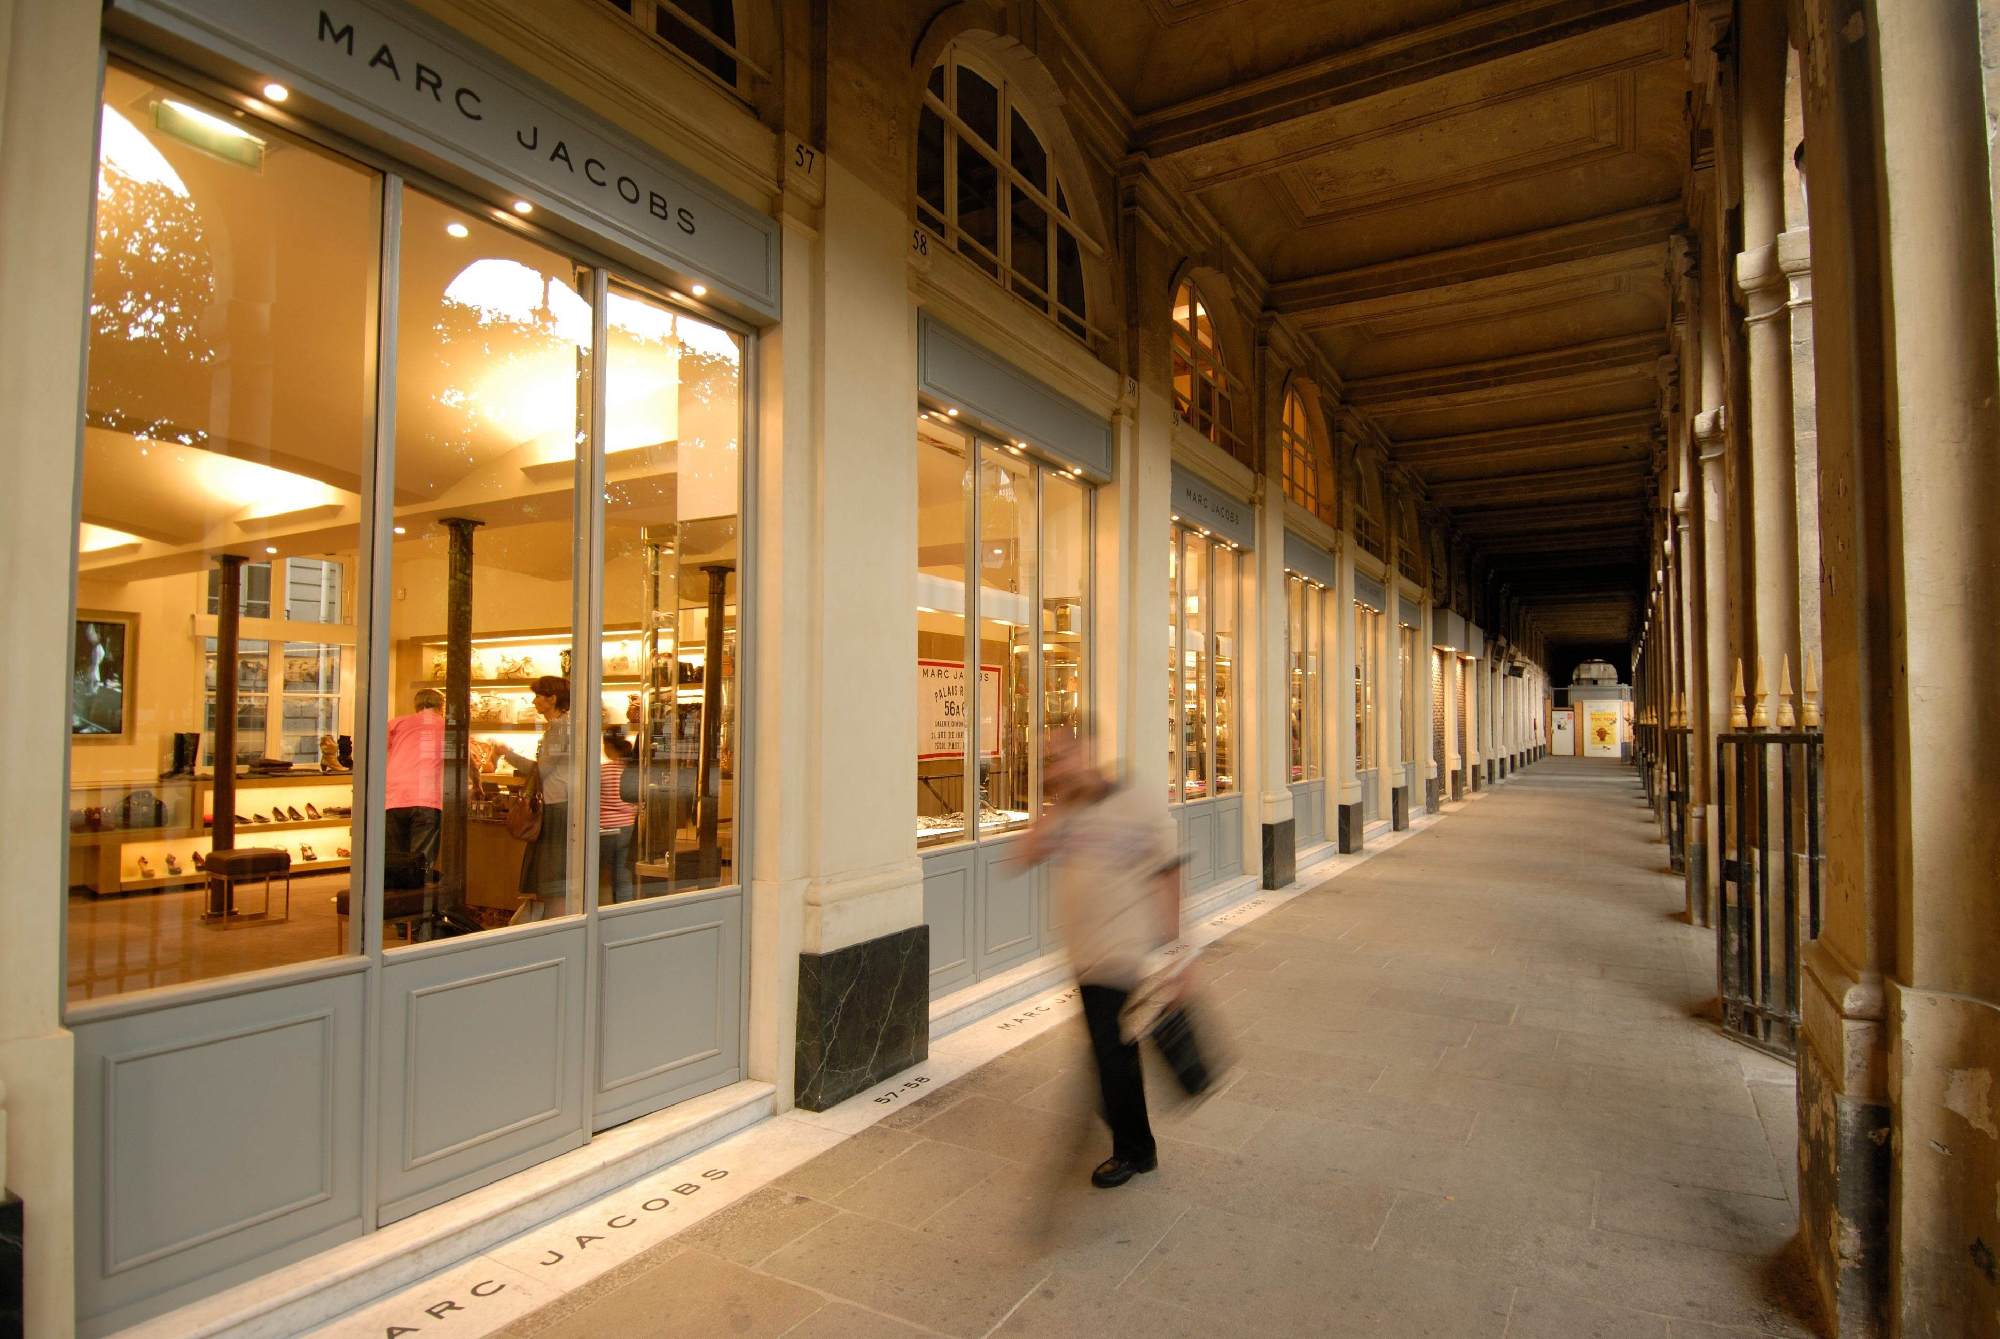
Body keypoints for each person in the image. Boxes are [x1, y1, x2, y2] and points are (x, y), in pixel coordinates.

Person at [1023, 723, 1185, 1189]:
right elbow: (1025, 855)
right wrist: (1058, 802)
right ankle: (1123, 1119)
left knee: (1110, 1053)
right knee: (1108, 1049)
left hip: (1121, 950)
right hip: (1084, 950)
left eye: (1066, 752)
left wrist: (1180, 955)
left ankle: (1136, 1150)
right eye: (1052, 756)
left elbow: (1167, 872)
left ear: (1091, 749)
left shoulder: (1134, 798)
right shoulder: (1070, 807)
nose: (1059, 762)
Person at [497, 675, 571, 923]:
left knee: (552, 875)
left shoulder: (560, 728)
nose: (534, 700)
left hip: (556, 805)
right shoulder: (564, 726)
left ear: (552, 698)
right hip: (557, 802)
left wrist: (507, 754)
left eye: (539, 695)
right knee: (552, 875)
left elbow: (542, 769)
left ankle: (552, 929)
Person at [383, 689, 444, 884]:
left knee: (395, 859)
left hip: (394, 795)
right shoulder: (446, 726)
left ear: (416, 706)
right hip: (427, 797)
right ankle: (418, 907)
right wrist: (477, 784)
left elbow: (378, 751)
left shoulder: (396, 723)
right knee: (420, 862)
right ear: (441, 707)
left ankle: (393, 906)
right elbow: (465, 761)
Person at [600, 717, 638, 903]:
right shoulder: (631, 770)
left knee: (600, 875)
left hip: (605, 830)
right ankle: (623, 909)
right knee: (623, 874)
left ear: (607, 745)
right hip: (627, 827)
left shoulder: (601, 771)